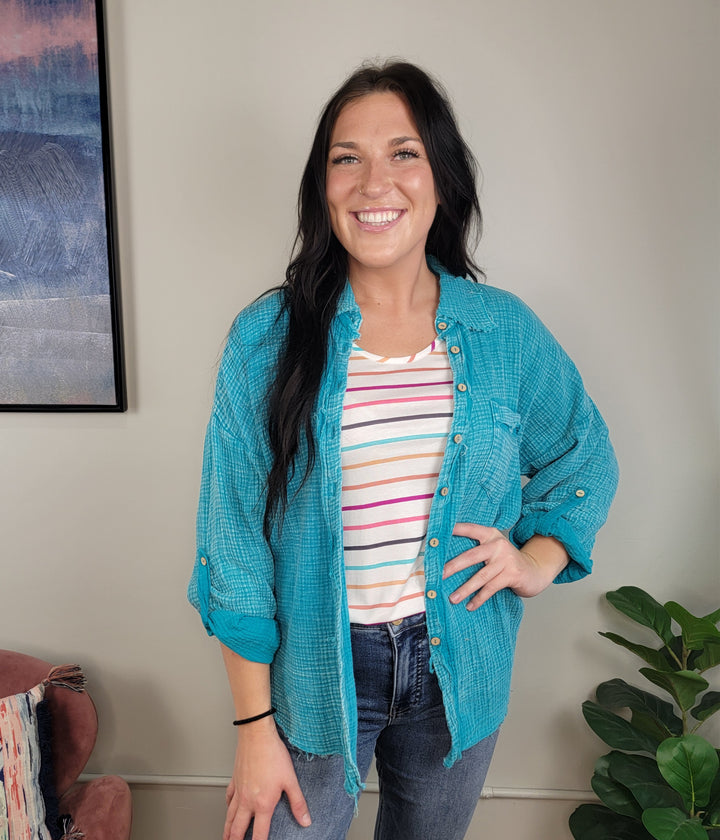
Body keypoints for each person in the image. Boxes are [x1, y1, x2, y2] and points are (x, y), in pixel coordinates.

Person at [188, 60, 618, 840]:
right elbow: (234, 544)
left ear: (441, 179)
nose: (372, 181)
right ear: (322, 188)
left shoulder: (503, 330)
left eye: (403, 153)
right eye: (345, 158)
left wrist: (538, 560)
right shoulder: (267, 340)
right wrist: (253, 729)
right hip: (317, 672)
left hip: (459, 664)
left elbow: (583, 455)